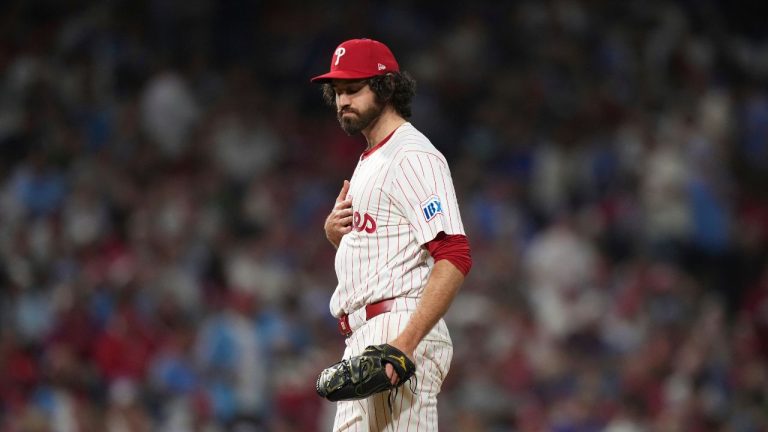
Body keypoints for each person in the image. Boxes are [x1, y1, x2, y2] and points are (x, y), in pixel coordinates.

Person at [311, 38, 472, 431]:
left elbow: (454, 254)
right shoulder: (372, 158)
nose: (342, 101)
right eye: (337, 92)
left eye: (353, 89)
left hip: (396, 329)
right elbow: (388, 252)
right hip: (365, 337)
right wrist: (340, 238)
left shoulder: (411, 155)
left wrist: (406, 342)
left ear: (384, 88)